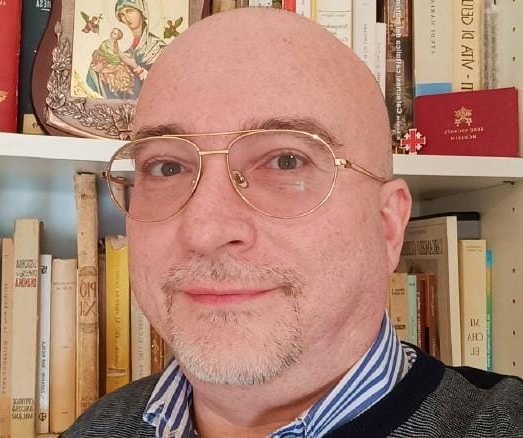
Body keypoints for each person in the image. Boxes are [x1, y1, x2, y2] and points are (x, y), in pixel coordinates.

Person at [66, 8, 523, 438]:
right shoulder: (94, 428)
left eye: (286, 161)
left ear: (387, 224)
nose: (204, 231)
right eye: (166, 167)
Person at [86, 0, 165, 99]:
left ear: (142, 12)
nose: (126, 18)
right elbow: (91, 81)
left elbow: (165, 85)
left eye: (130, 11)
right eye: (122, 15)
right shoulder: (111, 45)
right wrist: (100, 67)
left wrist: (136, 67)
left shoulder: (158, 47)